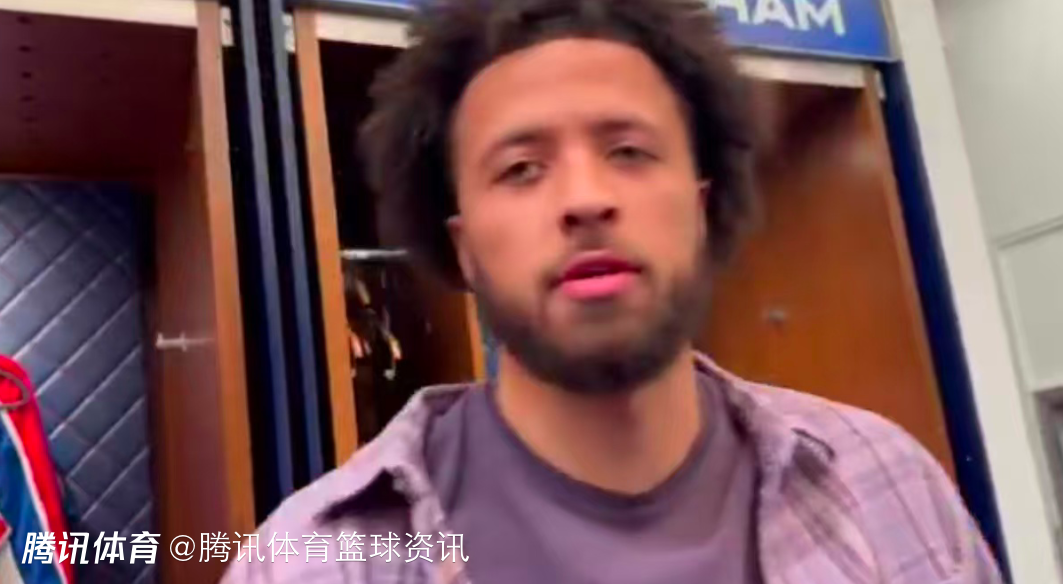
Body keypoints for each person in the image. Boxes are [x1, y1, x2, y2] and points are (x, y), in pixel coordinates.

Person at [222, 0, 1003, 582]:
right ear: (464, 247)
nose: (586, 199)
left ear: (701, 207)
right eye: (521, 169)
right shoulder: (312, 560)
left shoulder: (885, 483)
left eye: (628, 151)